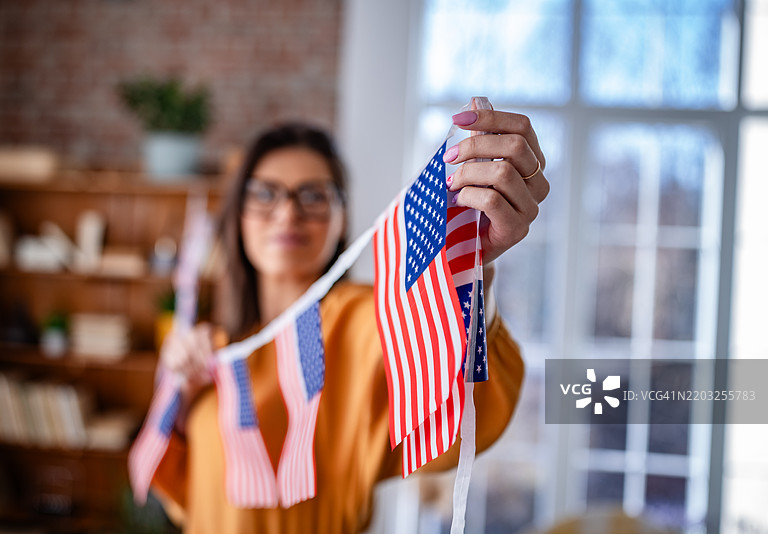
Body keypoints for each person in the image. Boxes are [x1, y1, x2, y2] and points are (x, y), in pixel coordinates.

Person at [151, 110, 550, 533]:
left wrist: (470, 270)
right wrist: (181, 401)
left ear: (342, 215)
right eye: (265, 193)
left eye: (314, 196)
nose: (288, 214)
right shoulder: (211, 344)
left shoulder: (364, 321)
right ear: (237, 215)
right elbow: (189, 496)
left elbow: (459, 414)